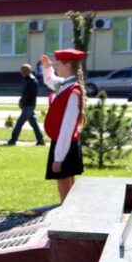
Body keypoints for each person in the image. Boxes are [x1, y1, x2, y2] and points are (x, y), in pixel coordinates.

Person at [40, 49, 86, 203]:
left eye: (58, 64)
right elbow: (49, 79)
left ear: (67, 66)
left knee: (64, 183)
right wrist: (47, 67)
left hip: (65, 143)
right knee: (65, 181)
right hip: (63, 142)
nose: (56, 67)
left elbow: (67, 128)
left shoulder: (72, 91)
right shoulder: (64, 84)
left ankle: (67, 213)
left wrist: (59, 158)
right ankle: (69, 209)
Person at [7, 63, 46, 146]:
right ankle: (41, 139)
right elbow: (24, 93)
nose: (22, 73)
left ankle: (13, 139)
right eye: (22, 71)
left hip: (29, 105)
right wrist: (21, 101)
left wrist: (22, 102)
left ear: (29, 71)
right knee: (33, 123)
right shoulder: (25, 79)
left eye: (24, 71)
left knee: (19, 122)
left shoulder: (33, 81)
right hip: (26, 105)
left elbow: (29, 95)